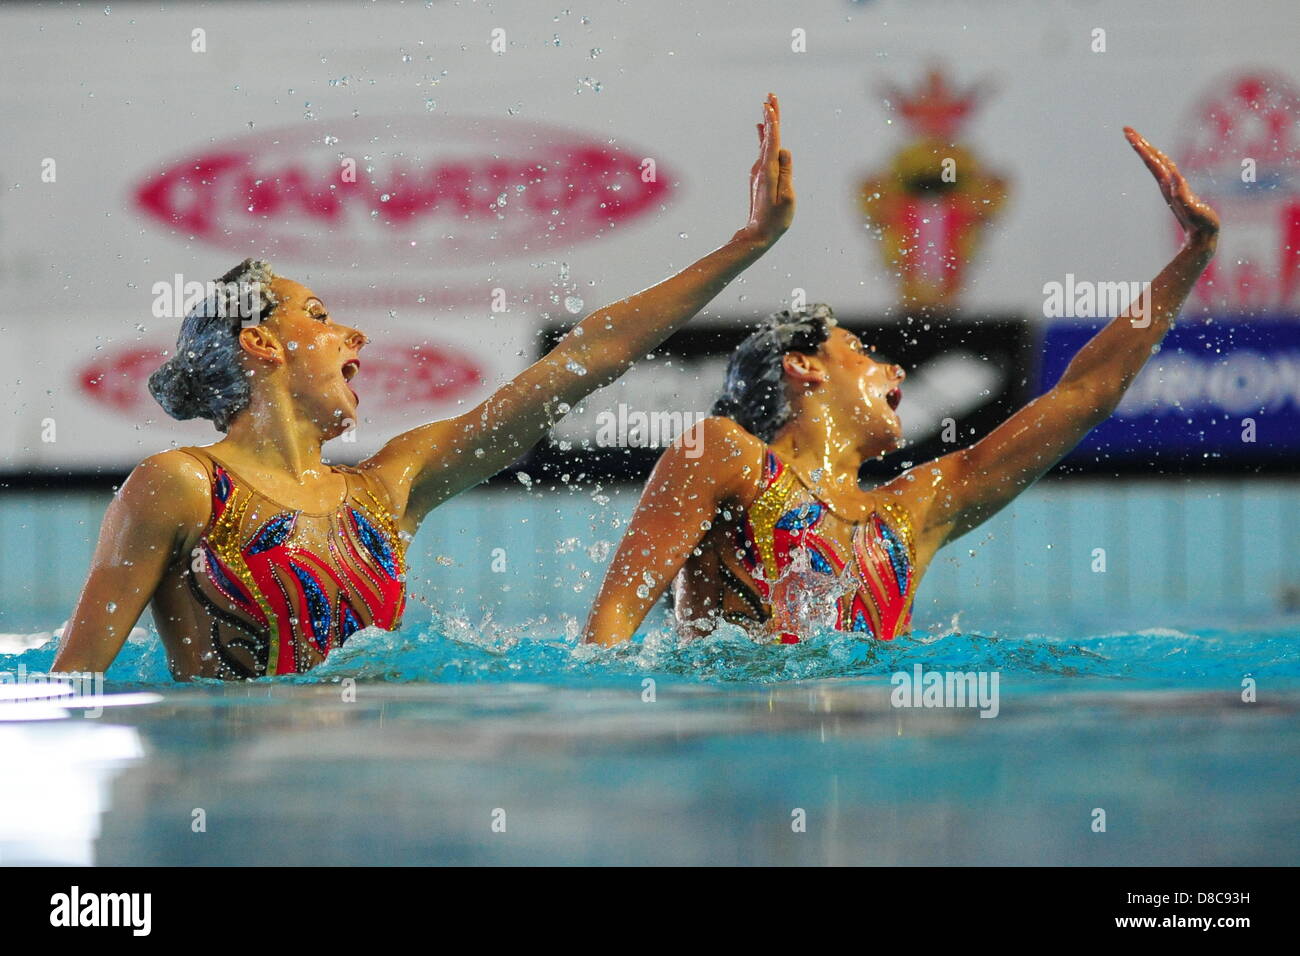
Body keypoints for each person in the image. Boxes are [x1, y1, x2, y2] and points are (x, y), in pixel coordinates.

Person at [52, 93, 796, 680]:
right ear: (261, 343)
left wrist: (745, 246)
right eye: (320, 316)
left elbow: (581, 361)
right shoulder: (178, 486)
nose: (356, 337)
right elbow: (77, 681)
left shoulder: (388, 490)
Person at [583, 128, 1219, 647]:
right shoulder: (724, 454)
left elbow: (1084, 396)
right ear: (804, 367)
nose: (896, 372)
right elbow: (610, 632)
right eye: (863, 354)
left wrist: (1194, 253)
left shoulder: (910, 510)